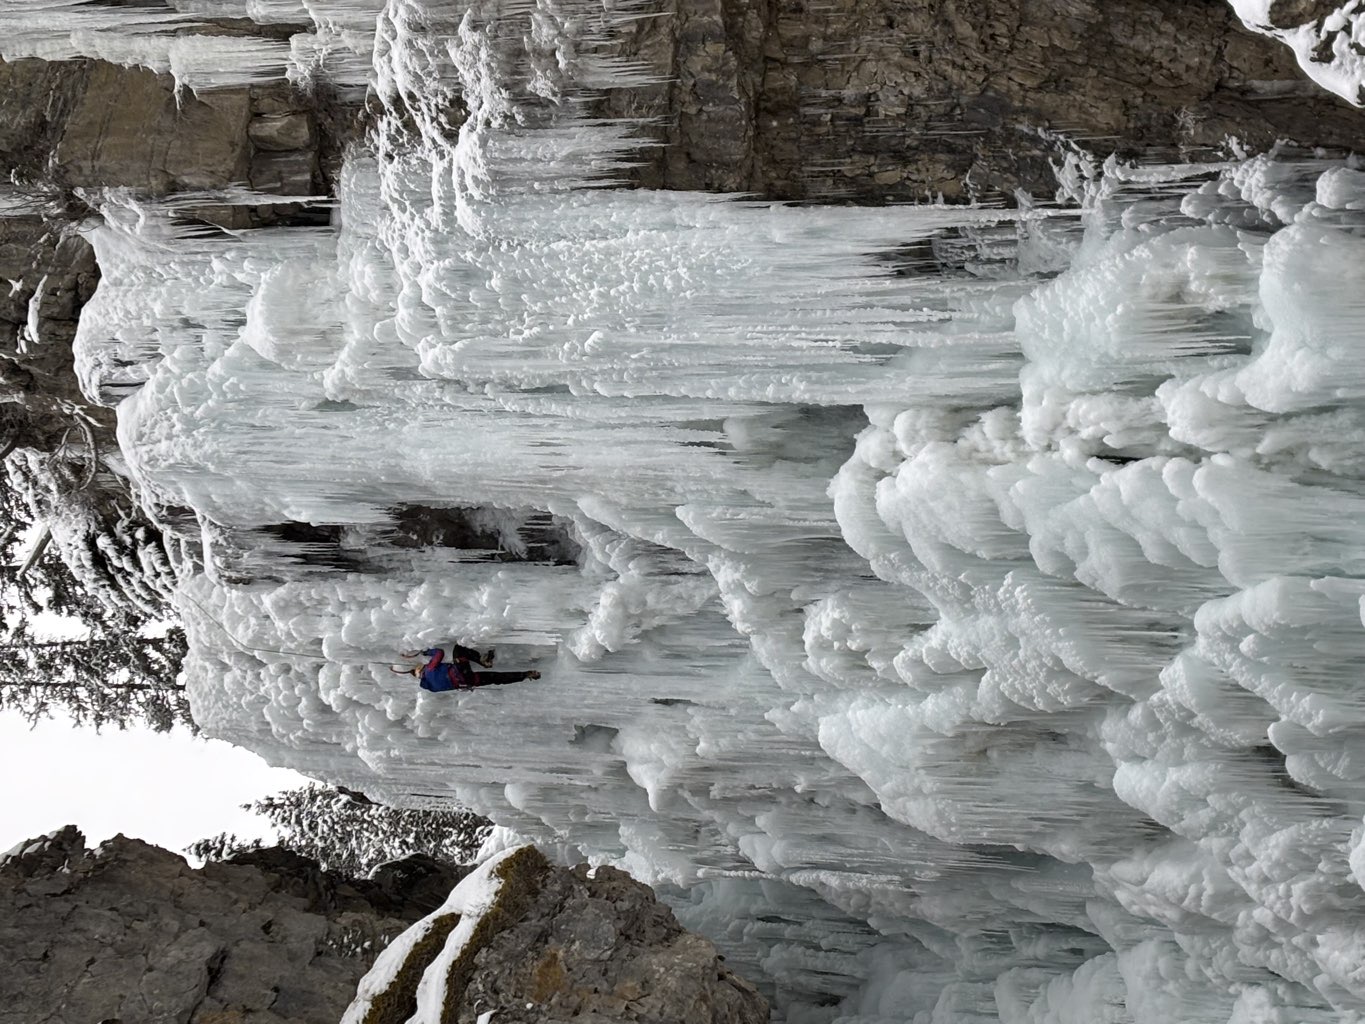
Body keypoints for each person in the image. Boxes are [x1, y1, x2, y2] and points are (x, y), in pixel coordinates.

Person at [395, 644, 540, 691]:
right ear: (421, 671)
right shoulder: (429, 669)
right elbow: (440, 653)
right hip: (461, 671)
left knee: (498, 678)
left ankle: (527, 674)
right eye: (421, 666)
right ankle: (483, 662)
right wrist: (426, 652)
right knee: (459, 650)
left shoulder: (432, 687)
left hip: (468, 682)